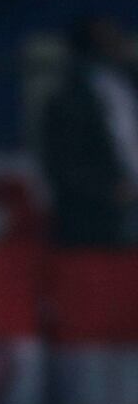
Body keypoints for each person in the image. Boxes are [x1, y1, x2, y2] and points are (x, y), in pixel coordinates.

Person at [41, 16, 138, 246]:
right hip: (103, 214)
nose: (119, 45)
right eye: (108, 41)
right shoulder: (68, 100)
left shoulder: (130, 84)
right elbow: (64, 164)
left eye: (118, 38)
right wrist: (111, 189)